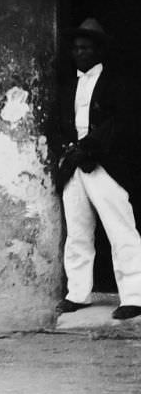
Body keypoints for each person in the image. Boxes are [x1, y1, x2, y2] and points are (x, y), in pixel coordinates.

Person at [55, 19, 141, 320]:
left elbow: (119, 124)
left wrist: (89, 146)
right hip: (74, 167)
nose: (80, 53)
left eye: (86, 48)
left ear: (98, 50)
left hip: (105, 165)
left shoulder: (117, 84)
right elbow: (60, 123)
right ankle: (77, 293)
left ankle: (134, 295)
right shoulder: (69, 85)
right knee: (77, 231)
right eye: (76, 48)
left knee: (120, 229)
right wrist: (68, 150)